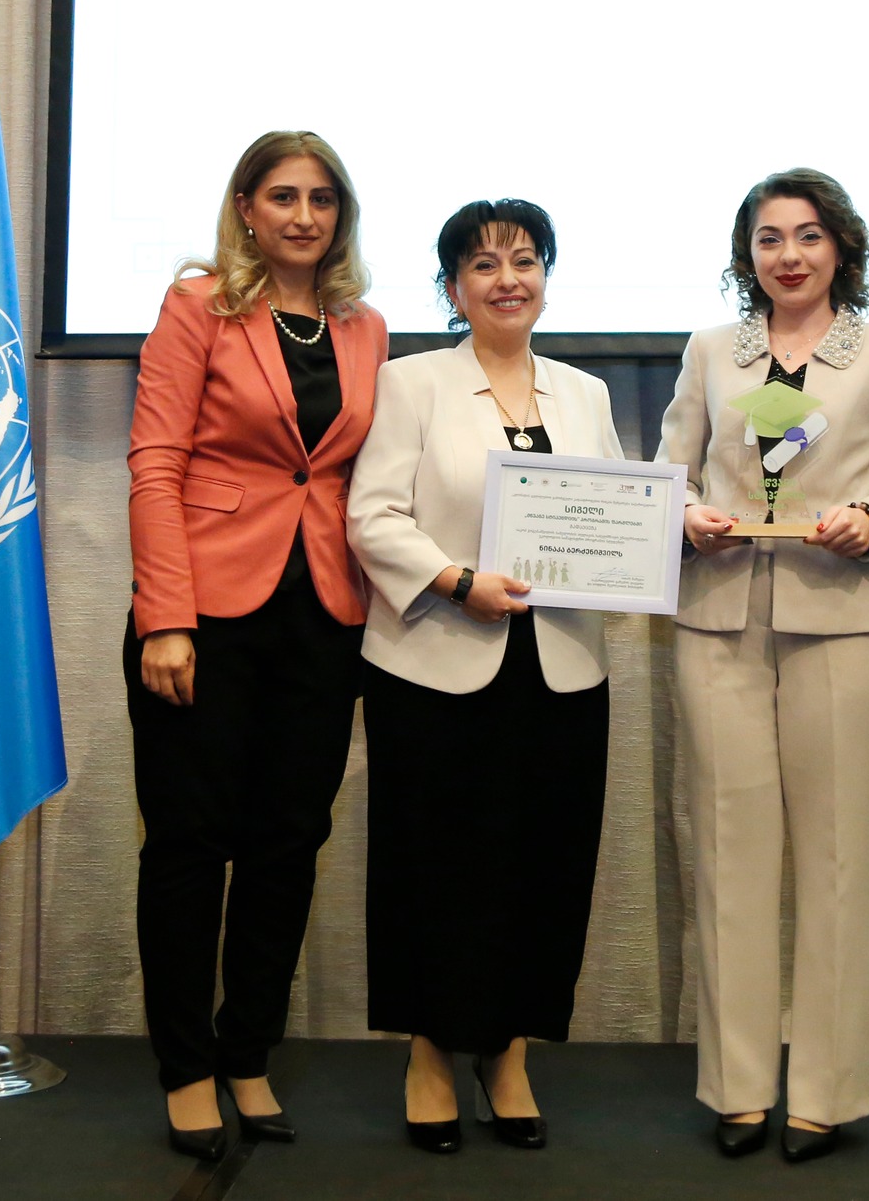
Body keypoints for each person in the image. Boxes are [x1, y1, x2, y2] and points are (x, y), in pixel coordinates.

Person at [658, 168, 869, 1163]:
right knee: (729, 856)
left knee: (834, 858)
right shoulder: (710, 350)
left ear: (842, 248)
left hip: (838, 623)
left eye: (808, 236)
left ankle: (824, 1093)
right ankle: (739, 1088)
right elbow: (665, 477)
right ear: (746, 255)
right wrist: (684, 517)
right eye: (769, 238)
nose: (788, 255)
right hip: (717, 621)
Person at [125, 131, 388, 1159]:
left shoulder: (364, 326)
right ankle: (185, 1067)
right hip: (204, 614)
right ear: (246, 208)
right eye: (282, 195)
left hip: (322, 615)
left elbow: (351, 474)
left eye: (322, 198)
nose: (303, 215)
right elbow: (155, 462)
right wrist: (166, 615)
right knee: (190, 847)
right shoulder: (198, 306)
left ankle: (248, 1052)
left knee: (287, 844)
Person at [346, 200, 622, 1157]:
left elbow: (617, 512)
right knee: (433, 867)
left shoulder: (585, 392)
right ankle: (429, 1050)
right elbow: (374, 514)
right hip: (434, 662)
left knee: (545, 866)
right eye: (484, 264)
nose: (509, 279)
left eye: (526, 260)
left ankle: (509, 1053)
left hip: (562, 669)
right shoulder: (413, 381)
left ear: (547, 275)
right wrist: (458, 581)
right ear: (453, 287)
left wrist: (675, 530)